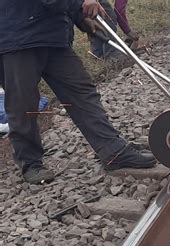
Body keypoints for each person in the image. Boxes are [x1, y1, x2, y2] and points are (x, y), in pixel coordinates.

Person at [0, 0, 157, 185]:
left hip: (53, 35)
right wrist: (79, 4)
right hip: (16, 36)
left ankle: (112, 151)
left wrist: (79, 17)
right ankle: (30, 163)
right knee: (23, 105)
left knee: (82, 92)